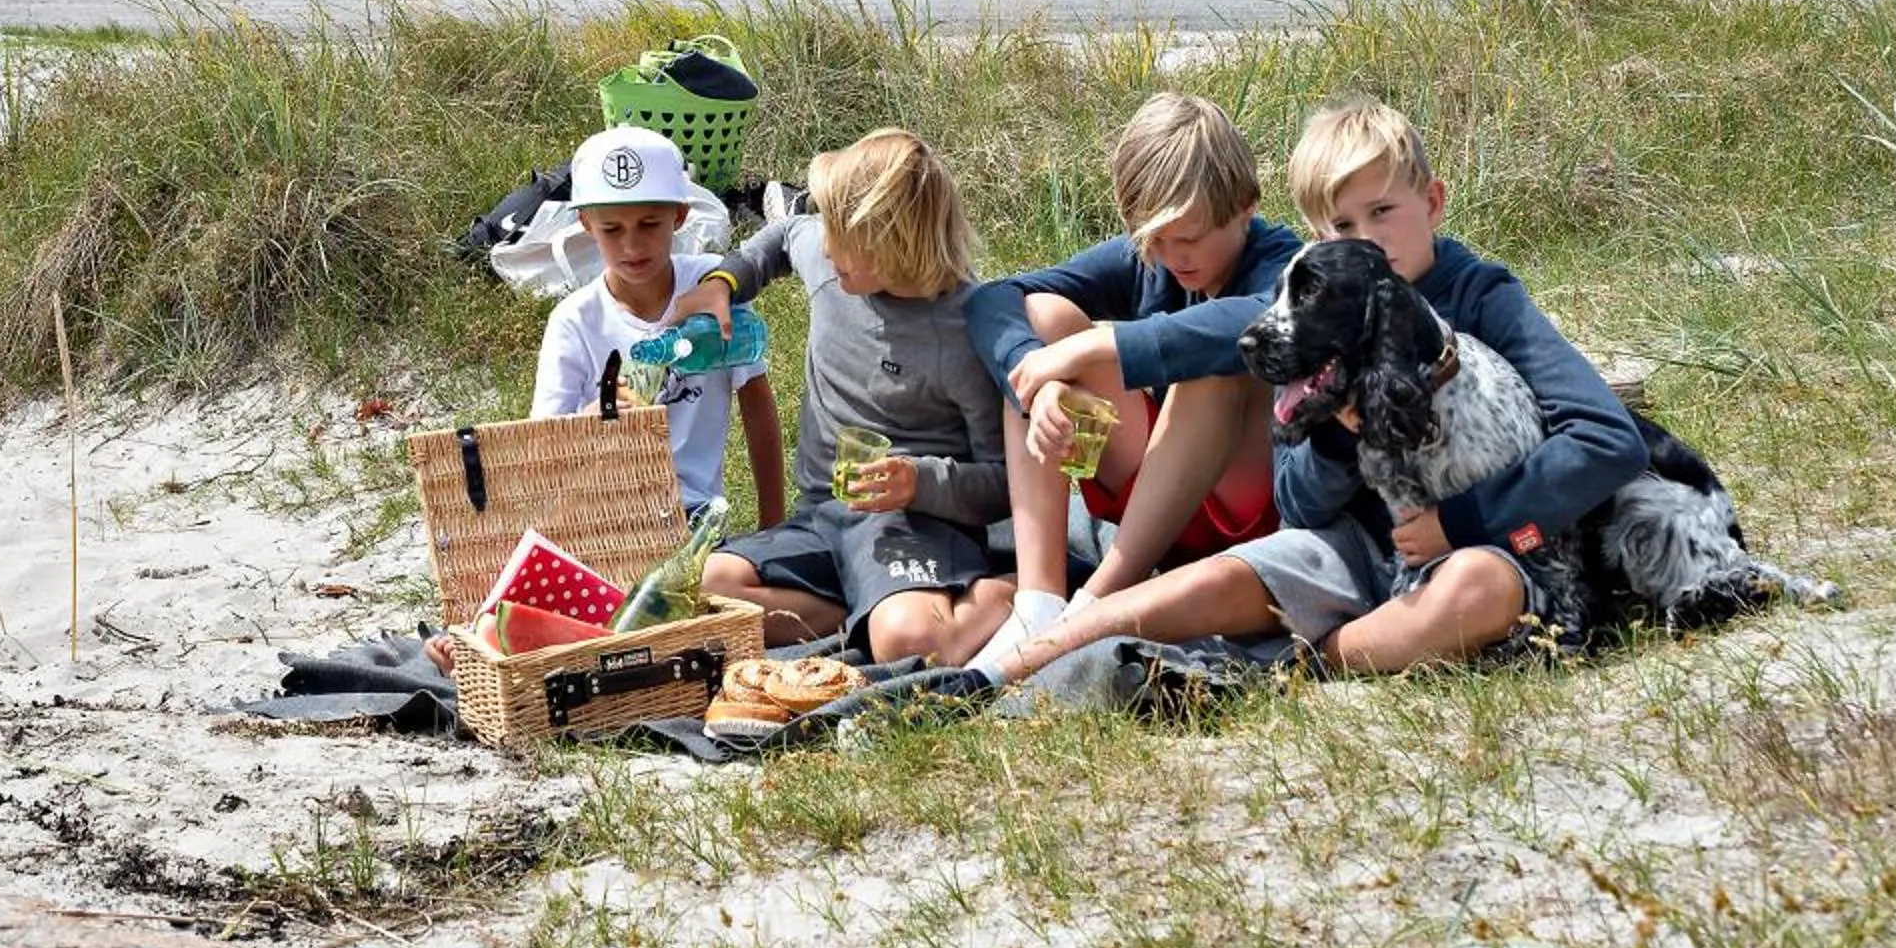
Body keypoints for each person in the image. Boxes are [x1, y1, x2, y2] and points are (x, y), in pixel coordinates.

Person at [989, 97, 1647, 685]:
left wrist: (1460, 523)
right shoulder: (1319, 317)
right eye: (1338, 227)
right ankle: (1010, 664)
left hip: (1471, 550)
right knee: (1217, 581)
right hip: (1350, 545)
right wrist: (1335, 432)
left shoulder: (1482, 296)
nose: (1364, 240)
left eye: (1382, 211)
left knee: (1474, 588)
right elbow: (1298, 502)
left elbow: (1608, 438)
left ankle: (1311, 658)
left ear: (1433, 202)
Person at [963, 94, 1295, 671]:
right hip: (1161, 495)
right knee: (1043, 318)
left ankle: (1096, 600)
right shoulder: (1155, 254)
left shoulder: (1286, 261)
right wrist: (1042, 385)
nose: (1171, 258)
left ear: (1246, 206)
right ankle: (1039, 601)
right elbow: (994, 299)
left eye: (1188, 238)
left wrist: (1096, 344)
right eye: (1154, 240)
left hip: (1250, 510)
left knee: (1210, 363)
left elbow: (1266, 319)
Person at [666, 128, 1013, 665]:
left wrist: (919, 482)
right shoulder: (833, 266)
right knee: (708, 585)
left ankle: (1001, 592)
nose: (825, 246)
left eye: (841, 235)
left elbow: (1003, 483)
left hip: (916, 527)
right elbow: (784, 236)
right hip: (823, 517)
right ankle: (860, 612)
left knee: (908, 644)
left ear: (892, 240)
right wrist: (725, 281)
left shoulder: (970, 327)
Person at [530, 124, 784, 522]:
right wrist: (593, 418)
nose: (632, 246)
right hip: (600, 519)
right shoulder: (575, 321)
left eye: (649, 224)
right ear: (586, 224)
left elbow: (756, 402)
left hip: (694, 513)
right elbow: (539, 450)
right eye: (612, 229)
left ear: (679, 216)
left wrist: (773, 523)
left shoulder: (711, 288)